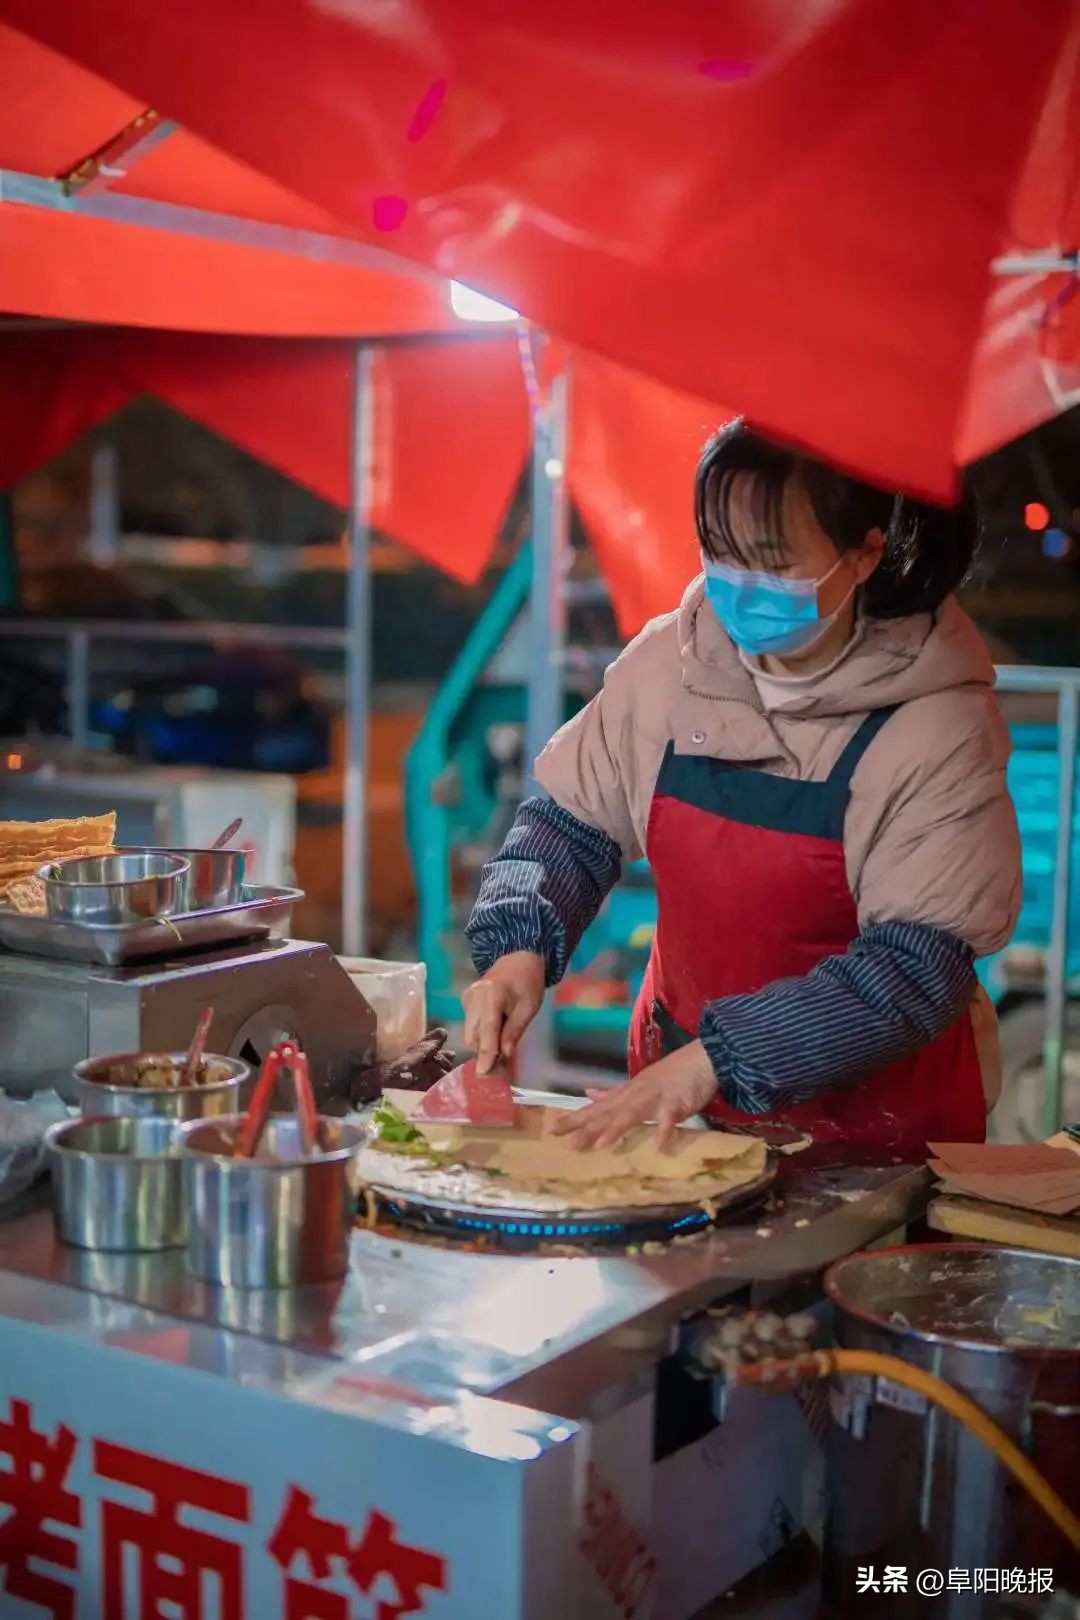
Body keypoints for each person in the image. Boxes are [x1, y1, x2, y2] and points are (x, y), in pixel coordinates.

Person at [463, 422, 1021, 1159]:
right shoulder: (671, 664)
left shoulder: (937, 724)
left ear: (864, 553)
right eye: (720, 551)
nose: (739, 582)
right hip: (683, 1105)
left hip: (876, 1137)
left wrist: (718, 1061)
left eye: (773, 563)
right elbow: (570, 823)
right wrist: (519, 949)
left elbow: (914, 969)